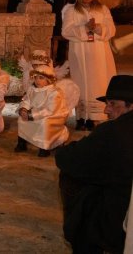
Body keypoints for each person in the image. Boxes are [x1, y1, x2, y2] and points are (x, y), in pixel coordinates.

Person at [55, 75, 133, 254]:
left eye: (113, 104)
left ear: (131, 105)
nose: (106, 110)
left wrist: (67, 148)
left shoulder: (112, 130)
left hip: (119, 213)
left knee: (70, 178)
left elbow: (68, 159)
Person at [61, 0, 116, 130]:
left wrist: (97, 28)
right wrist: (84, 28)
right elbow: (65, 31)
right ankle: (81, 117)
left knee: (97, 81)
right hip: (79, 50)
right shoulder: (71, 10)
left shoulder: (102, 9)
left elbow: (111, 29)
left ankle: (95, 118)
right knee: (80, 81)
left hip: (99, 51)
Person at [15, 64, 70, 157]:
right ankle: (22, 142)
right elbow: (27, 100)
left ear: (48, 79)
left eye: (41, 78)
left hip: (53, 115)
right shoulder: (32, 89)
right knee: (21, 120)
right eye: (35, 78)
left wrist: (32, 115)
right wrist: (24, 110)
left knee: (44, 123)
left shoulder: (54, 92)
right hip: (35, 113)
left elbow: (50, 110)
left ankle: (44, 147)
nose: (37, 80)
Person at [43, 0, 69, 64]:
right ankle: (49, 57)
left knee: (60, 37)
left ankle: (60, 59)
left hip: (61, 15)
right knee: (49, 37)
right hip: (49, 13)